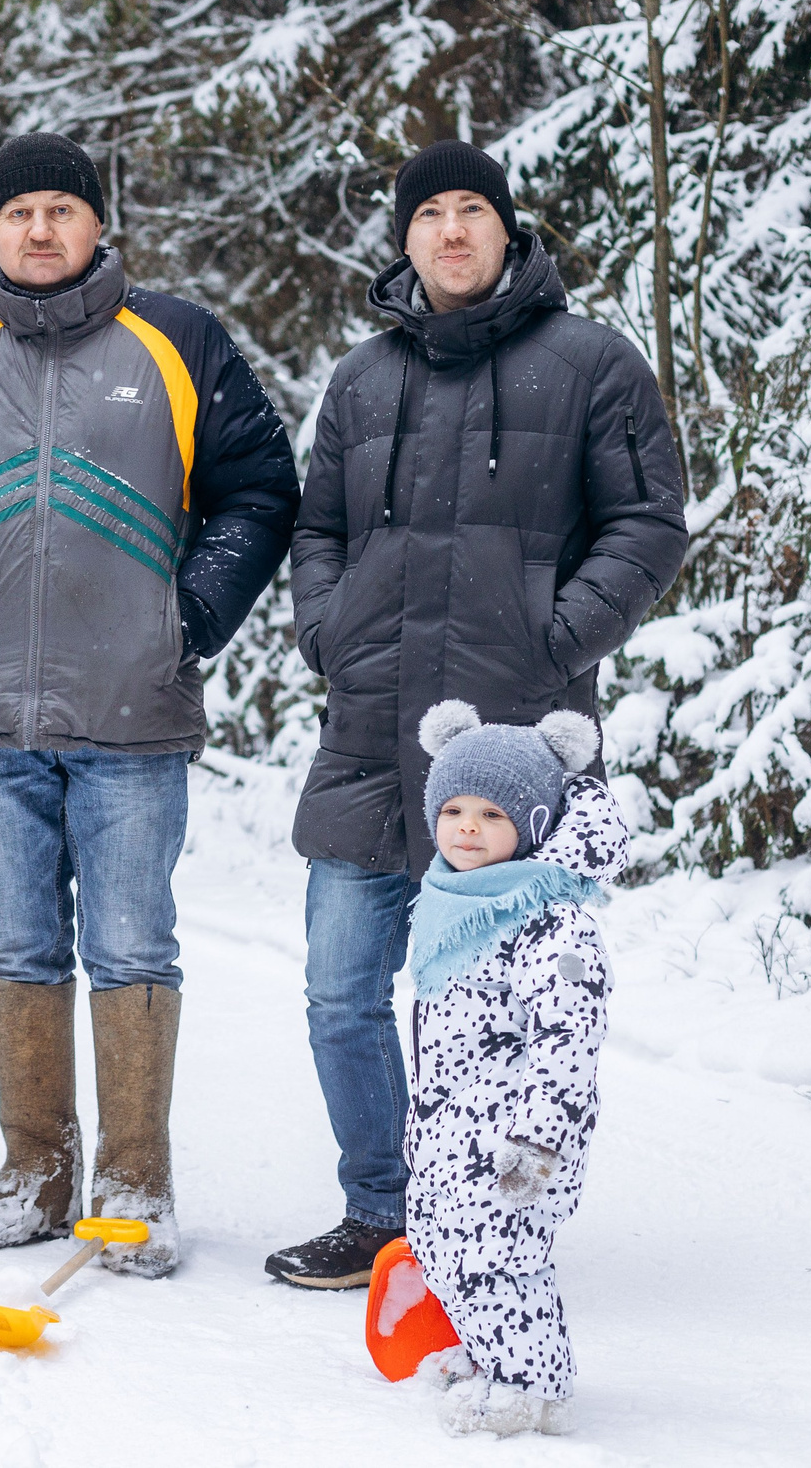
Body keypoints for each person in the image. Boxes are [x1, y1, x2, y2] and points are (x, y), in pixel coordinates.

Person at [0, 132, 299, 1277]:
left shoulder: (175, 343)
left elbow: (260, 490)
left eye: (63, 210)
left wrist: (190, 619)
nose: (42, 230)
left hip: (130, 712)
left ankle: (133, 1185)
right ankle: (35, 1170)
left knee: (128, 945)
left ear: (97, 225)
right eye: (20, 214)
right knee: (14, 940)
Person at [269, 139, 687, 1290]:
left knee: (498, 1012)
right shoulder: (362, 379)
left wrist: (553, 642)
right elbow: (318, 532)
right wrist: (328, 630)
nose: (451, 231)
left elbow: (648, 526)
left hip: (510, 757)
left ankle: (488, 1226)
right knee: (343, 990)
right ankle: (381, 1212)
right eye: (429, 215)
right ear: (403, 239)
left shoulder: (592, 364)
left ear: (507, 231)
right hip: (369, 734)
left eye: (472, 211)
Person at [398, 700, 629, 1437]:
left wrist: (538, 1139)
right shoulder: (453, 896)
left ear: (531, 827)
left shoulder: (547, 916)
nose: (468, 826)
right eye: (455, 808)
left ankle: (531, 1385)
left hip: (512, 1138)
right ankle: (490, 1351)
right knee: (445, 1248)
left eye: (493, 815)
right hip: (448, 1128)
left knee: (500, 1258)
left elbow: (569, 1035)